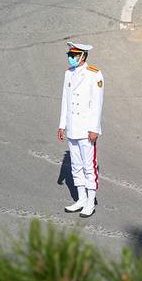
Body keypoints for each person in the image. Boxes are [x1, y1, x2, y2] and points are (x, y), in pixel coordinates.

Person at [58, 42, 103, 218]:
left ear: (83, 56)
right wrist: (62, 125)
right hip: (73, 127)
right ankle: (81, 198)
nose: (71, 57)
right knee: (76, 165)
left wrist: (94, 129)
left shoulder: (94, 74)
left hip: (86, 129)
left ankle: (91, 201)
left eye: (74, 55)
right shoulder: (68, 73)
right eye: (70, 54)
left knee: (88, 166)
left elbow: (97, 104)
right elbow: (65, 100)